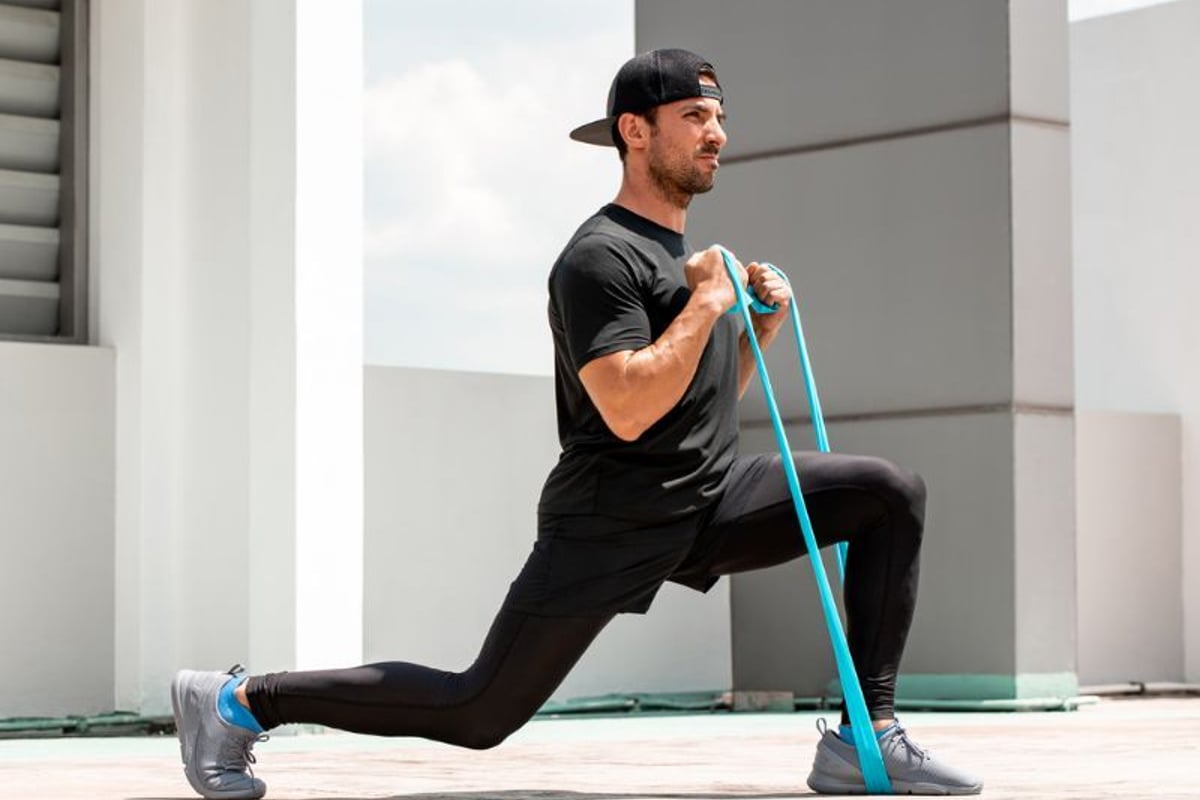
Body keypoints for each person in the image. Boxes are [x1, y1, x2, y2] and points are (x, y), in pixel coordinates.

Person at [171, 48, 982, 798]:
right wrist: (707, 302)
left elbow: (692, 406)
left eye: (719, 116)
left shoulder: (682, 259)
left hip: (704, 499)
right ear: (636, 131)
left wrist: (755, 334)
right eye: (695, 117)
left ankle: (863, 739)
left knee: (886, 492)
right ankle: (239, 700)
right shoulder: (599, 258)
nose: (718, 134)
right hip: (613, 516)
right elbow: (628, 408)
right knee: (478, 713)